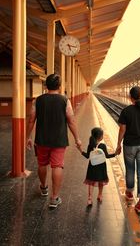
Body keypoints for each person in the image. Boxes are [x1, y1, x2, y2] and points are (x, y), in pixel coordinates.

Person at [26, 73, 82, 209]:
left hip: (41, 139)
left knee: (42, 164)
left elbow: (31, 119)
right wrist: (77, 138)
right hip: (59, 140)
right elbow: (71, 120)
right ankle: (54, 198)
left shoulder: (37, 101)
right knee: (57, 166)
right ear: (59, 86)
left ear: (46, 86)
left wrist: (28, 137)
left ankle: (44, 188)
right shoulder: (65, 100)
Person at [115, 86, 140, 213]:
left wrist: (118, 144)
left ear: (130, 97)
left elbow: (122, 130)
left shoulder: (126, 111)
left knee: (130, 169)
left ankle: (129, 193)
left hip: (129, 145)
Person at [80, 127, 116, 206]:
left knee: (91, 182)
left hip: (92, 166)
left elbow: (87, 156)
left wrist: (80, 150)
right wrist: (115, 154)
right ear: (100, 137)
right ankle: (100, 195)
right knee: (101, 181)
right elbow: (107, 156)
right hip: (101, 167)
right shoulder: (102, 145)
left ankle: (89, 198)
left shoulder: (90, 145)